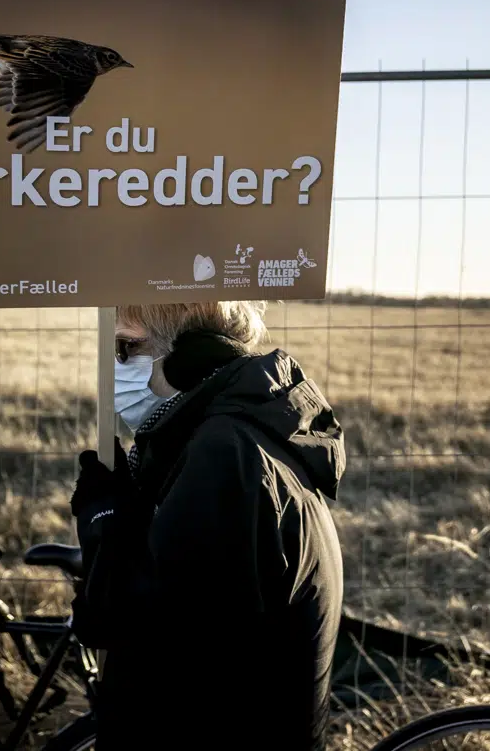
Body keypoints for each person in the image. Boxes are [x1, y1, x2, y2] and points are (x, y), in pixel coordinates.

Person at [68, 300, 346, 750]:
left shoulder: (224, 455)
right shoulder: (251, 430)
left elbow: (148, 631)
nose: (115, 367)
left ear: (188, 354)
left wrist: (105, 518)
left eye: (126, 347)